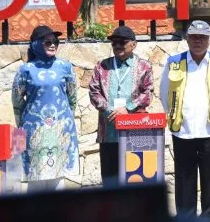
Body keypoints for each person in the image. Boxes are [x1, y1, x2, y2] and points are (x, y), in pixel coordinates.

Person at [160, 20, 210, 220]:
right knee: (185, 179)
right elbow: (164, 93)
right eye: (193, 37)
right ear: (187, 39)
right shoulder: (174, 62)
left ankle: (208, 216)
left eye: (202, 37)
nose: (198, 41)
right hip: (183, 130)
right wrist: (175, 115)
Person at [11, 25, 79, 191]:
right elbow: (17, 101)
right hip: (33, 130)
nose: (53, 44)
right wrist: (23, 125)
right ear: (35, 44)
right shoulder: (25, 69)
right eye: (47, 42)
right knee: (36, 177)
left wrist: (65, 121)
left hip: (60, 129)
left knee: (59, 176)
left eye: (55, 41)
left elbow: (72, 97)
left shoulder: (65, 67)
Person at [88, 26, 154, 186]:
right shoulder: (102, 66)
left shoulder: (144, 67)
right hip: (108, 132)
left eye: (122, 42)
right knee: (110, 181)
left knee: (136, 180)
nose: (117, 46)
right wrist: (109, 110)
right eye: (114, 43)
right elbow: (93, 91)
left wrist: (128, 108)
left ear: (134, 44)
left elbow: (148, 93)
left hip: (135, 133)